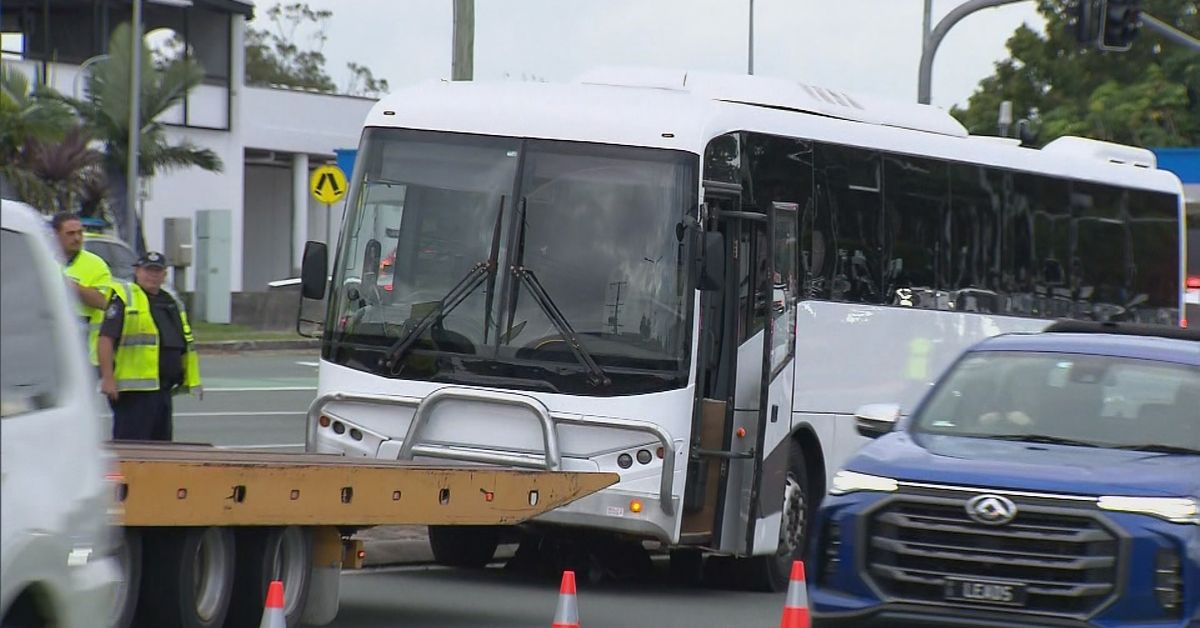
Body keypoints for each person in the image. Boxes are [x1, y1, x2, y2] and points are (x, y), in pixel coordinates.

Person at [98, 251, 202, 441]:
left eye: (157, 271)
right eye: (148, 270)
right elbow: (106, 338)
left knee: (160, 451)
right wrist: (108, 378)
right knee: (132, 449)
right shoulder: (125, 297)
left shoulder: (171, 302)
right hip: (134, 392)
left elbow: (183, 342)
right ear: (137, 271)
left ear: (164, 275)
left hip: (163, 389)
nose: (152, 275)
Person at [52, 212, 113, 366]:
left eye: (80, 233)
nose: (77, 238)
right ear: (55, 235)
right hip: (49, 346)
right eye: (70, 233)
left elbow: (102, 301)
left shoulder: (95, 264)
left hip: (85, 354)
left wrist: (66, 283)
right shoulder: (42, 258)